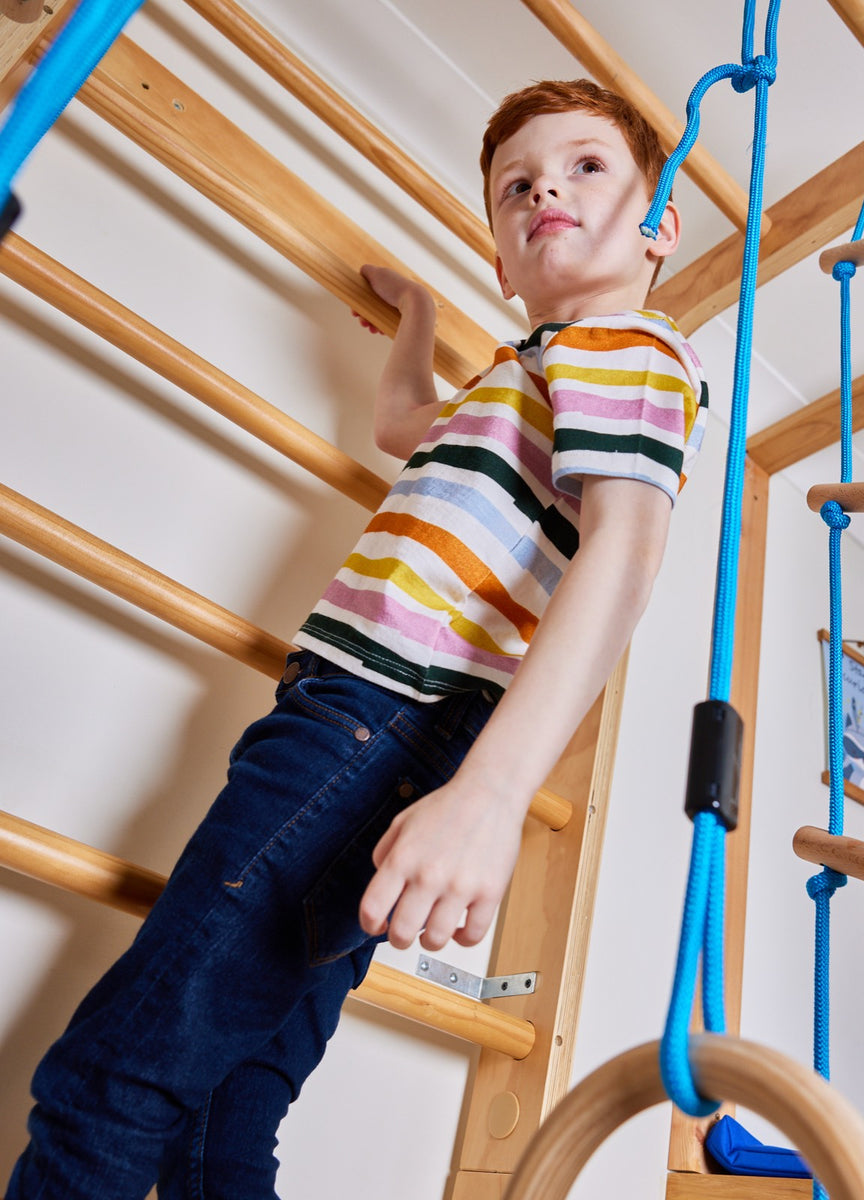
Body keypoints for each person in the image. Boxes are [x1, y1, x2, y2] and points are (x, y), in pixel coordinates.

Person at [7, 78, 707, 1198]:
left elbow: (624, 555)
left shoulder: (627, 346)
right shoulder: (522, 376)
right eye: (516, 188)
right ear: (503, 265)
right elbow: (397, 424)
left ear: (660, 226)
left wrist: (491, 796)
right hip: (373, 725)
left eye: (585, 168)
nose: (545, 194)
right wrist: (419, 315)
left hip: (383, 717)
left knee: (113, 1081)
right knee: (227, 1109)